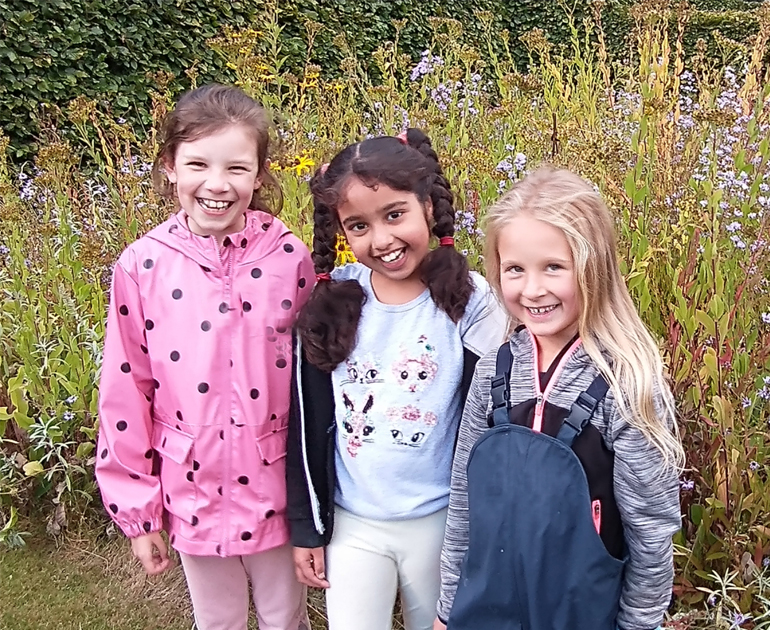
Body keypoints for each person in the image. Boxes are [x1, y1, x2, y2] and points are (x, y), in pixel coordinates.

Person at [95, 84, 313, 630]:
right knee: (217, 620)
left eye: (237, 168)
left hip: (275, 485)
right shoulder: (143, 264)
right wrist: (138, 512)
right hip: (191, 483)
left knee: (285, 617)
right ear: (170, 166)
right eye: (197, 164)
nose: (218, 185)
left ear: (260, 175)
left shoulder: (288, 256)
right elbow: (126, 388)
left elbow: (317, 377)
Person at [434, 166, 684, 630]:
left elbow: (651, 531)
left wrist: (639, 624)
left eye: (553, 267)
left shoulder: (626, 381)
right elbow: (464, 509)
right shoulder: (493, 372)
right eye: (514, 269)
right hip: (487, 613)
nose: (532, 289)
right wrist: (447, 612)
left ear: (593, 267)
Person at [286, 129, 507, 630]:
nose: (381, 240)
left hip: (442, 524)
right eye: (358, 225)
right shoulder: (336, 304)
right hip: (354, 524)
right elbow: (306, 422)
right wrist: (307, 525)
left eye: (394, 215)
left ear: (428, 205)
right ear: (341, 232)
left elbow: (493, 425)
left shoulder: (470, 305)